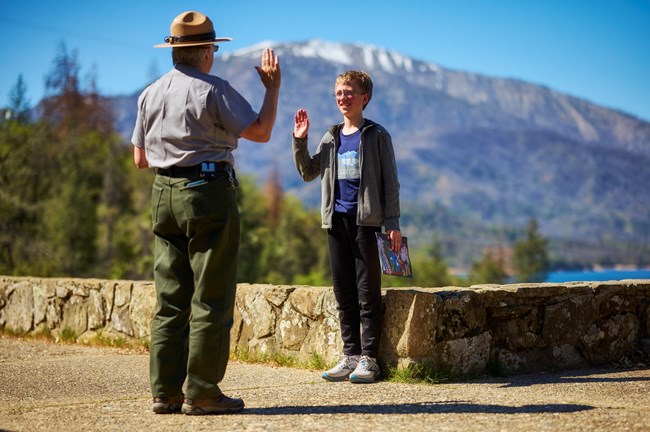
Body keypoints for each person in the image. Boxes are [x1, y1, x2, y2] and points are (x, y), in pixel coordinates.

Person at [131, 11, 280, 415]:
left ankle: (165, 392)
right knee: (211, 296)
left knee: (170, 298)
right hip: (208, 192)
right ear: (205, 53)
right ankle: (202, 392)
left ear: (175, 52)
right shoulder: (214, 90)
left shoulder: (149, 93)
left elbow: (140, 159)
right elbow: (262, 131)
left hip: (163, 194)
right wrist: (272, 88)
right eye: (212, 48)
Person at [292, 70, 401, 383]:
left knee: (367, 293)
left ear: (364, 97)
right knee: (344, 292)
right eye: (338, 92)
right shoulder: (331, 136)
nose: (343, 97)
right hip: (335, 221)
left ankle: (370, 360)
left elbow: (390, 182)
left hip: (365, 223)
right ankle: (350, 355)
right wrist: (300, 140)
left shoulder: (377, 135)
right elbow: (309, 172)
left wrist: (392, 222)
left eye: (349, 92)